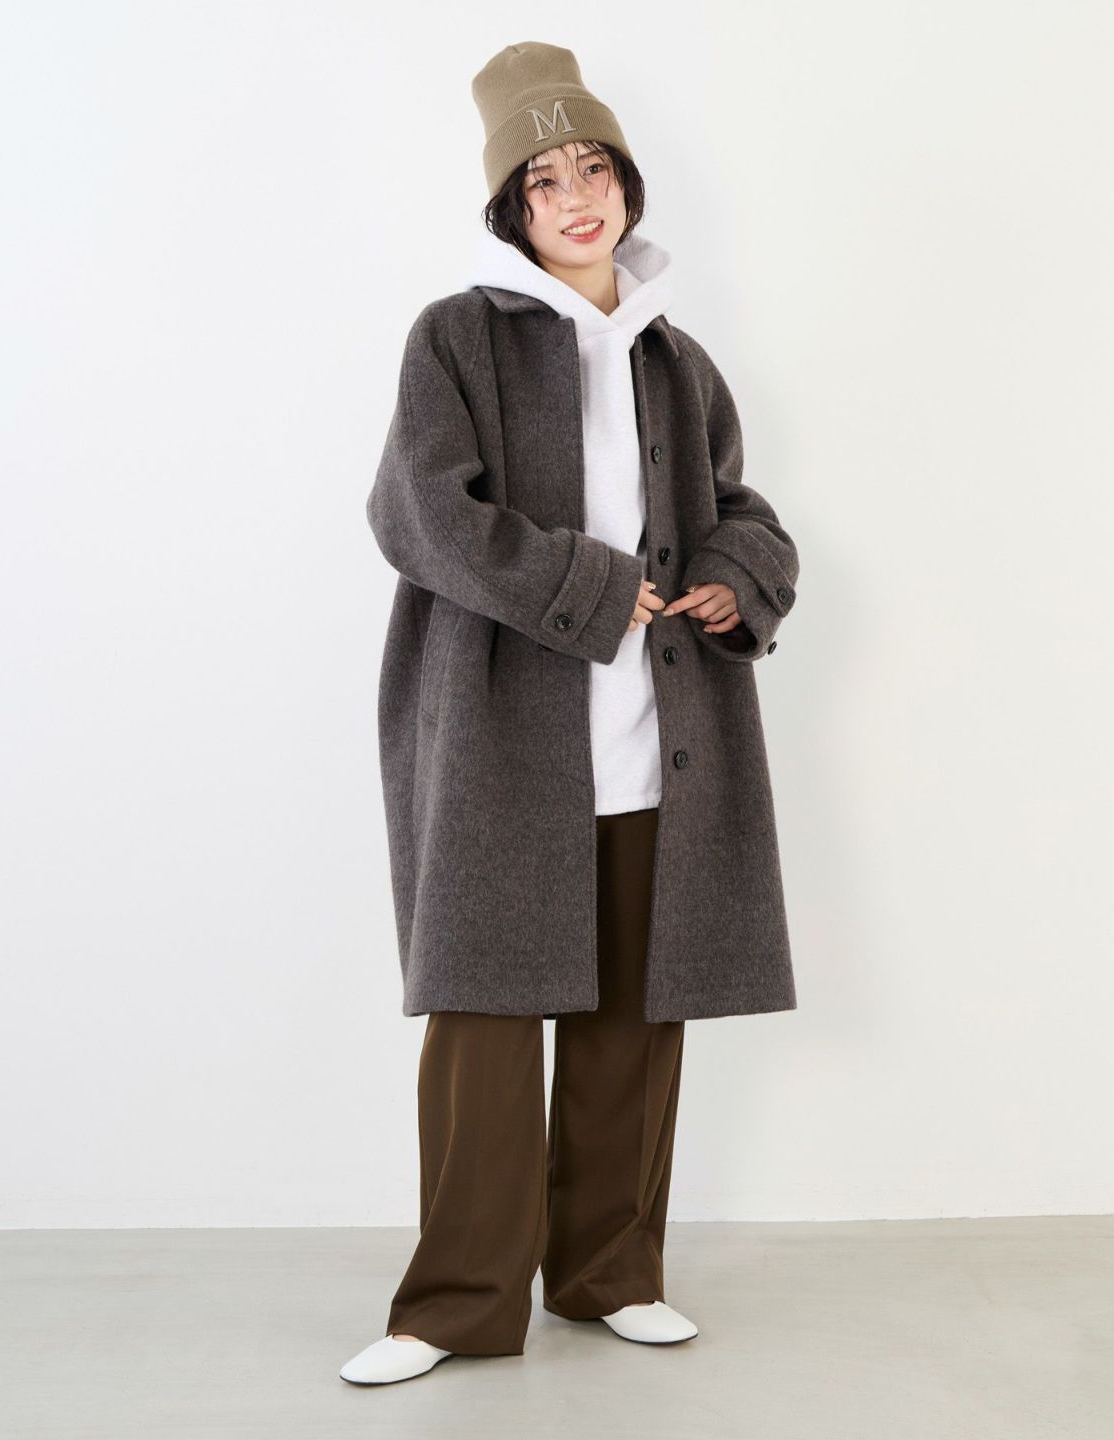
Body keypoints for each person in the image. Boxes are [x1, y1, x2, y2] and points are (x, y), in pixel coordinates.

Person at [341, 41, 801, 1386]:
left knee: (631, 1020)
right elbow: (418, 514)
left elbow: (739, 505)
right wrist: (596, 589)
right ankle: (453, 1305)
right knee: (485, 1022)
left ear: (627, 186)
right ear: (513, 208)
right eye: (543, 180)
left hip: (659, 733)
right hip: (501, 736)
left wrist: (731, 579)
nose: (575, 197)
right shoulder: (457, 337)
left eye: (592, 168)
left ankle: (609, 1273)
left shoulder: (677, 359)